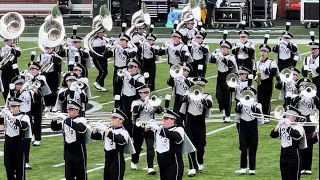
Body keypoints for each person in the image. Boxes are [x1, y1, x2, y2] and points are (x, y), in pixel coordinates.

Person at [180, 77, 213, 177]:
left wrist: (201, 98)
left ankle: (200, 160)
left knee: (201, 145)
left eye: (201, 86)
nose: (199, 87)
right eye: (197, 85)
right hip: (189, 122)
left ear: (204, 86)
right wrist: (189, 96)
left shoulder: (207, 96)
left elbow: (209, 105)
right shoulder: (188, 93)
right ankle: (192, 167)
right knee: (191, 145)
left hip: (200, 123)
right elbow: (182, 100)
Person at [91, 108, 135, 180]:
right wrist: (95, 129)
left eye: (115, 118)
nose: (112, 119)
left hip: (117, 161)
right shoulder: (109, 130)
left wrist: (106, 130)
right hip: (107, 160)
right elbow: (94, 136)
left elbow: (120, 140)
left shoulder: (123, 132)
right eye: (112, 117)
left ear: (121, 120)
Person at [51, 99, 88, 180]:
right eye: (68, 109)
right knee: (69, 177)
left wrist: (66, 119)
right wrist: (54, 120)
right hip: (68, 153)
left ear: (77, 110)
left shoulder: (81, 120)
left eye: (71, 109)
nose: (69, 111)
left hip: (79, 153)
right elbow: (54, 128)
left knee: (81, 176)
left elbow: (82, 129)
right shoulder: (66, 121)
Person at [130, 84, 163, 174]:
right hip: (138, 127)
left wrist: (156, 105)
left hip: (150, 127)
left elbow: (160, 111)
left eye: (147, 92)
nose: (146, 94)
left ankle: (150, 167)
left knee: (150, 147)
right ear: (140, 93)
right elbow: (135, 110)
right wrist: (145, 103)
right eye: (144, 93)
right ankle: (134, 161)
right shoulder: (135, 102)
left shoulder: (152, 103)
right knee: (137, 146)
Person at [270, 106, 307, 180]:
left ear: (294, 117)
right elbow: (273, 135)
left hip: (294, 156)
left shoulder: (299, 127)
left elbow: (296, 135)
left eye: (289, 116)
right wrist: (278, 126)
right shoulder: (283, 126)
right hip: (283, 155)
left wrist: (288, 126)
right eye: (286, 116)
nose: (286, 117)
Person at [147, 109, 186, 180]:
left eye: (166, 118)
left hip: (173, 165)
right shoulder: (159, 129)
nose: (163, 120)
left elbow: (176, 137)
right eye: (163, 118)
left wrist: (159, 129)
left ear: (173, 120)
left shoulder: (179, 129)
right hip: (162, 165)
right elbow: (143, 137)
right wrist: (146, 129)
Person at [291, 79, 319, 175]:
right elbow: (292, 104)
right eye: (301, 86)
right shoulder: (296, 96)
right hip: (300, 121)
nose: (303, 87)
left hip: (310, 122)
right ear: (298, 87)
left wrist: (313, 95)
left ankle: (308, 167)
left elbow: (318, 103)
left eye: (305, 86)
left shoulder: (312, 96)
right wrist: (300, 95)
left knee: (309, 143)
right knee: (300, 144)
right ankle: (301, 166)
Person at [210, 31, 238, 123]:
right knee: (219, 96)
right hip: (220, 77)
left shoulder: (231, 57)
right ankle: (222, 110)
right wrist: (214, 55)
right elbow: (211, 60)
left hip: (228, 78)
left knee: (227, 98)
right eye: (222, 47)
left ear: (228, 49)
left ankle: (227, 115)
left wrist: (221, 58)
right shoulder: (219, 55)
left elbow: (230, 65)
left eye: (225, 48)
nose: (223, 49)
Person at [235, 88, 264, 175]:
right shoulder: (240, 103)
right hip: (243, 127)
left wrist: (255, 110)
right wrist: (238, 109)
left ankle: (252, 168)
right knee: (243, 148)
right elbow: (237, 118)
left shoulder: (257, 105)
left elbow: (260, 119)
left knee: (253, 148)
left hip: (253, 127)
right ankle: (243, 167)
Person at [6, 75, 33, 169]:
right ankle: (14, 160)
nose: (20, 85)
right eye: (18, 84)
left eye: (21, 83)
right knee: (15, 139)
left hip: (26, 115)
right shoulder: (12, 93)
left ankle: (26, 161)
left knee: (27, 139)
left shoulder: (28, 91)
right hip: (15, 116)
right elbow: (14, 99)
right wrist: (21, 90)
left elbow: (37, 99)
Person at [114, 58, 145, 136]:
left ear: (136, 68)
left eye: (132, 67)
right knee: (124, 117)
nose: (129, 69)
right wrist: (120, 77)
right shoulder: (125, 75)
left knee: (134, 119)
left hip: (134, 99)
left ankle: (135, 137)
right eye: (129, 67)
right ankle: (126, 134)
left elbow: (140, 86)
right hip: (125, 99)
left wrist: (130, 77)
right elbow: (117, 83)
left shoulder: (140, 77)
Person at [2, 97, 31, 180]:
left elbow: (24, 126)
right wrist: (2, 113)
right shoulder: (7, 115)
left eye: (14, 107)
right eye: (11, 106)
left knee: (19, 170)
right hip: (8, 144)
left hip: (19, 144)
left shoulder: (24, 116)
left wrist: (11, 116)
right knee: (8, 168)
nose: (12, 108)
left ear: (19, 107)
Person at [253, 34, 278, 124]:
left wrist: (266, 70)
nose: (263, 53)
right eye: (261, 51)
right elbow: (253, 72)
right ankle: (261, 116)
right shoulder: (256, 63)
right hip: (259, 82)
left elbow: (274, 72)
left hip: (268, 82)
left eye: (264, 51)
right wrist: (256, 76)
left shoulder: (271, 62)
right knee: (259, 99)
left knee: (266, 99)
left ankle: (266, 116)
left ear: (267, 53)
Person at [28, 61, 51, 146]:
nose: (32, 71)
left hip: (37, 100)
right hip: (28, 100)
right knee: (28, 119)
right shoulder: (27, 76)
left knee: (38, 120)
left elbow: (41, 84)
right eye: (31, 69)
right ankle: (32, 135)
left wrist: (32, 81)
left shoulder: (42, 77)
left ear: (38, 70)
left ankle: (37, 138)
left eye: (34, 69)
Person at [36, 45, 62, 112]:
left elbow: (59, 61)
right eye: (45, 47)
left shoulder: (56, 55)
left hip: (53, 75)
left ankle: (53, 105)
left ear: (52, 48)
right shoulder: (41, 55)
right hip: (44, 74)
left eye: (48, 47)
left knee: (53, 89)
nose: (46, 48)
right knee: (45, 89)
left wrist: (51, 57)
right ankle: (47, 105)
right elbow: (37, 64)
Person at [140, 25, 162, 91]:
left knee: (151, 79)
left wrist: (149, 46)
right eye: (148, 39)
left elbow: (156, 52)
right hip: (144, 63)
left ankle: (151, 91)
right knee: (143, 78)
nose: (149, 41)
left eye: (151, 40)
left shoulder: (156, 46)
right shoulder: (144, 45)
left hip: (151, 64)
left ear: (154, 40)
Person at [302, 31, 319, 110]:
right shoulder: (307, 58)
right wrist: (305, 70)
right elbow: (304, 71)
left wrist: (312, 66)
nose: (313, 51)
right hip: (310, 80)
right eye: (312, 49)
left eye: (315, 49)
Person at [90, 27, 110, 92]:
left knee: (103, 71)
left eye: (103, 32)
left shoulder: (103, 39)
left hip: (103, 58)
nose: (103, 33)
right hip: (98, 58)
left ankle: (101, 86)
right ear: (98, 33)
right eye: (102, 32)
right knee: (104, 72)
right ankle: (96, 83)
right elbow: (97, 50)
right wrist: (106, 47)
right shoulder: (96, 40)